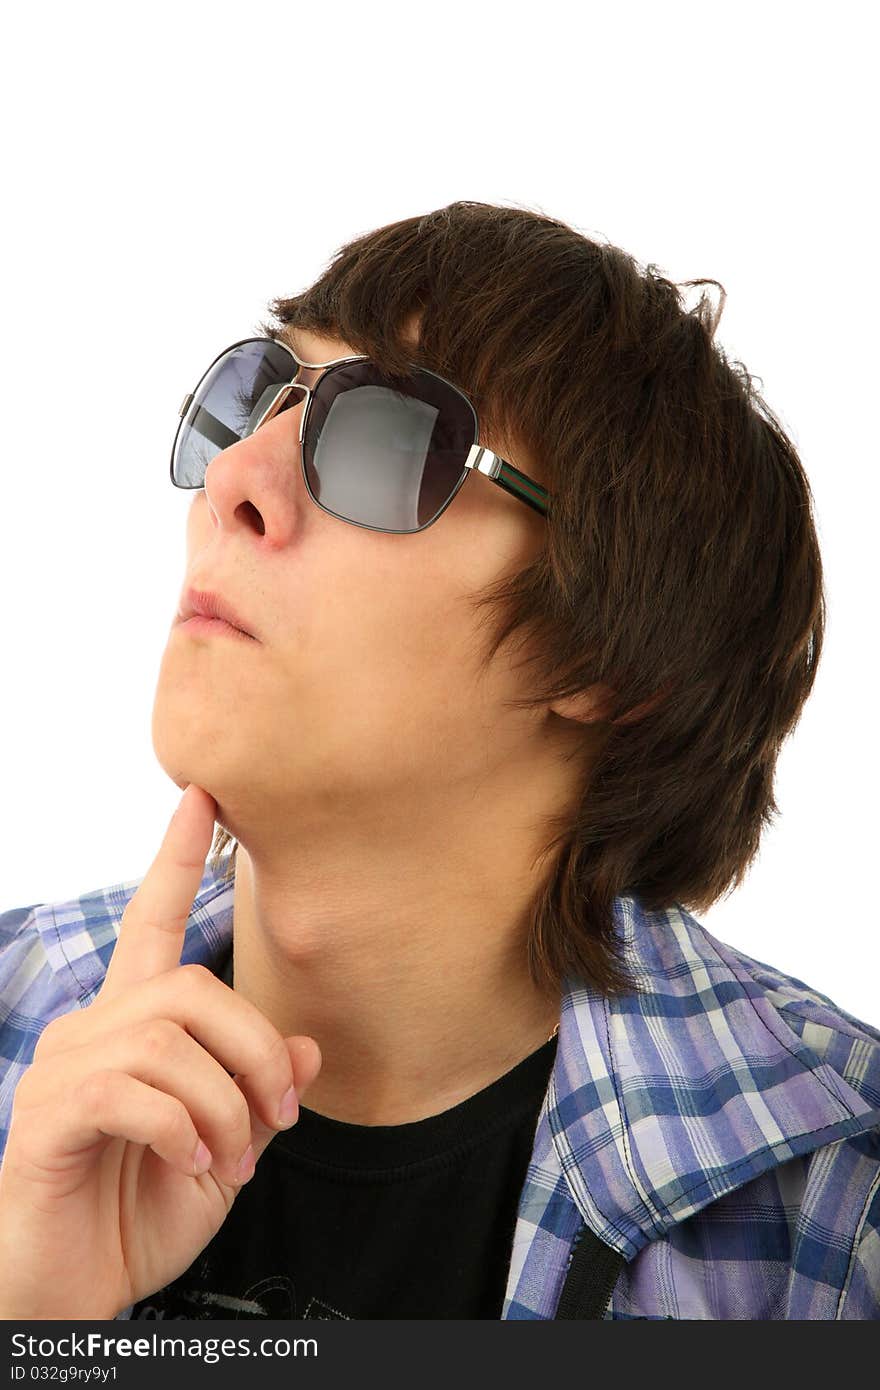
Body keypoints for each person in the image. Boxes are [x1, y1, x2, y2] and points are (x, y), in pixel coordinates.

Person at [1, 201, 878, 1322]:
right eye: (256, 400)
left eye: (385, 440)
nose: (233, 484)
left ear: (606, 659)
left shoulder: (838, 1206)